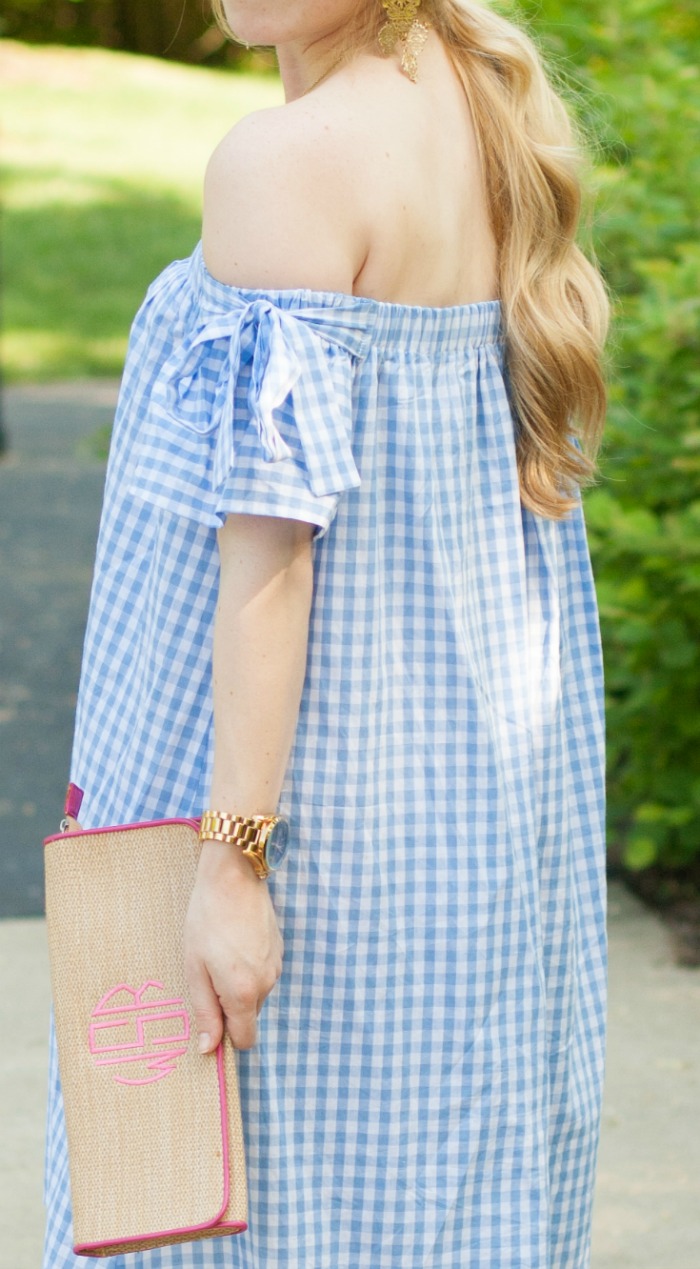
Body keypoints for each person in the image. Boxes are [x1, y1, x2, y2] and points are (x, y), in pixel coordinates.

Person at [43, 1, 610, 1266]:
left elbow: (272, 555)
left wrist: (230, 860)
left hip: (297, 815)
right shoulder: (474, 105)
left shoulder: (286, 161)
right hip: (457, 813)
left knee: (231, 1216)